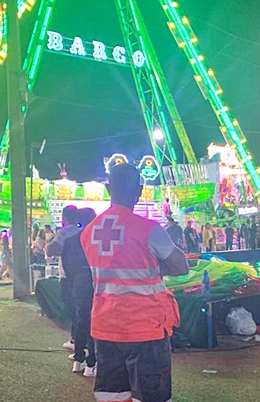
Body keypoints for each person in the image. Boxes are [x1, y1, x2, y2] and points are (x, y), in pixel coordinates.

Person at [81, 163, 189, 402]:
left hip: (106, 326)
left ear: (109, 188)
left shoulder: (88, 232)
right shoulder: (149, 230)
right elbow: (182, 267)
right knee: (152, 396)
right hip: (145, 328)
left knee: (112, 396)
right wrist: (155, 267)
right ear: (140, 191)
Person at [62, 208, 98, 378]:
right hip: (93, 282)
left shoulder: (70, 241)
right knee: (94, 322)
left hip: (77, 283)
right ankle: (91, 364)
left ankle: (78, 360)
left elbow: (66, 265)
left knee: (81, 320)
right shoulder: (96, 239)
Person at [46, 205, 80, 352]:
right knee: (81, 309)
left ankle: (75, 339)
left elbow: (50, 249)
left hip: (67, 276)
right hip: (82, 275)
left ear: (64, 218)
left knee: (72, 308)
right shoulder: (81, 231)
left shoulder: (64, 233)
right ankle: (81, 339)